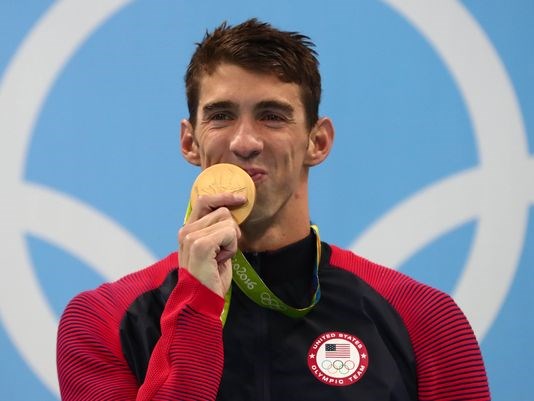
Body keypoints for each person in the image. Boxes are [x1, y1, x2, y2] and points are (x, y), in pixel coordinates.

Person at [56, 19, 491, 400]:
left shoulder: (423, 318)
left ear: (317, 142)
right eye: (221, 115)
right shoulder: (104, 321)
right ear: (190, 141)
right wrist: (198, 304)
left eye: (273, 116)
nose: (245, 142)